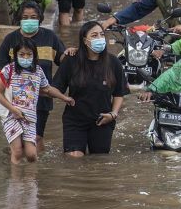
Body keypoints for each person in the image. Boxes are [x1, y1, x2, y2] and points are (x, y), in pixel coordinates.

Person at [0, 1, 68, 153]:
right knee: (17, 139)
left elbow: (63, 60)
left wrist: (70, 54)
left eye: (33, 17)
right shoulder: (10, 39)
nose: (29, 20)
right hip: (15, 101)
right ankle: (16, 167)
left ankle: (36, 171)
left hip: (41, 97)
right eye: (25, 17)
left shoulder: (50, 37)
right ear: (19, 19)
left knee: (36, 137)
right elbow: (1, 69)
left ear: (40, 18)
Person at [52, 22, 130, 156]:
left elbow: (119, 93)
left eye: (101, 35)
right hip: (75, 119)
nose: (99, 38)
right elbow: (54, 88)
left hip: (102, 120)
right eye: (94, 35)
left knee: (99, 160)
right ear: (84, 40)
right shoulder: (71, 61)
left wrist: (113, 114)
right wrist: (65, 98)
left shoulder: (113, 63)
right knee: (74, 157)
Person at [0, 37, 74, 164]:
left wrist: (65, 98)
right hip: (11, 116)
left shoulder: (38, 71)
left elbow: (47, 89)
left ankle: (31, 182)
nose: (25, 57)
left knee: (31, 154)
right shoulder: (9, 70)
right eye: (22, 54)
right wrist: (13, 109)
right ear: (16, 55)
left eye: (29, 54)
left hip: (29, 118)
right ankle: (15, 183)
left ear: (34, 55)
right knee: (18, 152)